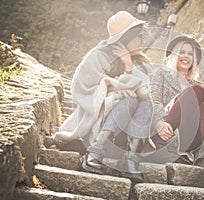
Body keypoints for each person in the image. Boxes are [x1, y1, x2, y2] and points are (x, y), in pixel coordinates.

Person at [53, 11, 154, 182]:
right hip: (97, 127)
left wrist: (128, 66)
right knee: (128, 99)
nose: (141, 40)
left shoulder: (141, 62)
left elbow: (146, 94)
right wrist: (111, 90)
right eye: (138, 36)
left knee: (146, 104)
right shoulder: (97, 56)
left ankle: (130, 160)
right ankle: (95, 153)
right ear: (125, 38)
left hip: (125, 136)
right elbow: (80, 89)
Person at [149, 35, 204, 190]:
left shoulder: (196, 83)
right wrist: (159, 123)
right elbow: (154, 101)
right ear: (174, 55)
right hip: (165, 130)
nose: (186, 56)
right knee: (198, 92)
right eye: (182, 52)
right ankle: (161, 141)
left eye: (190, 54)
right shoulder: (161, 74)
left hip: (186, 138)